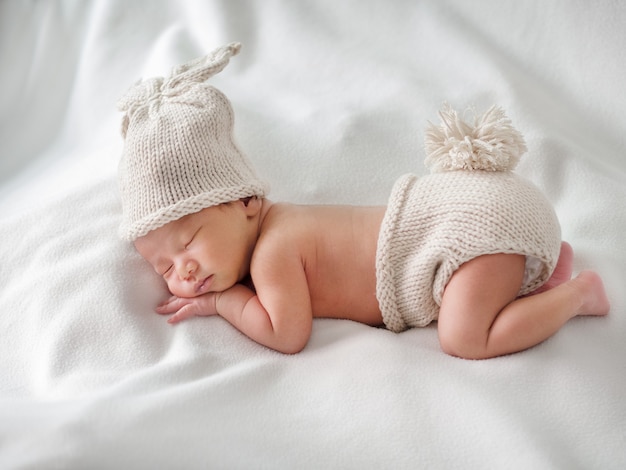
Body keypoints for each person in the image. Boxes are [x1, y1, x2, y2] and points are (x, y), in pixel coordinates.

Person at [117, 43, 610, 359]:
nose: (181, 272)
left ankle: (577, 295)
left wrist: (223, 301)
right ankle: (534, 276)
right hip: (482, 217)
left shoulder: (273, 252)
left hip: (470, 230)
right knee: (471, 306)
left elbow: (286, 334)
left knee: (465, 338)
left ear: (244, 201)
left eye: (189, 241)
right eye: (164, 268)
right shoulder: (282, 223)